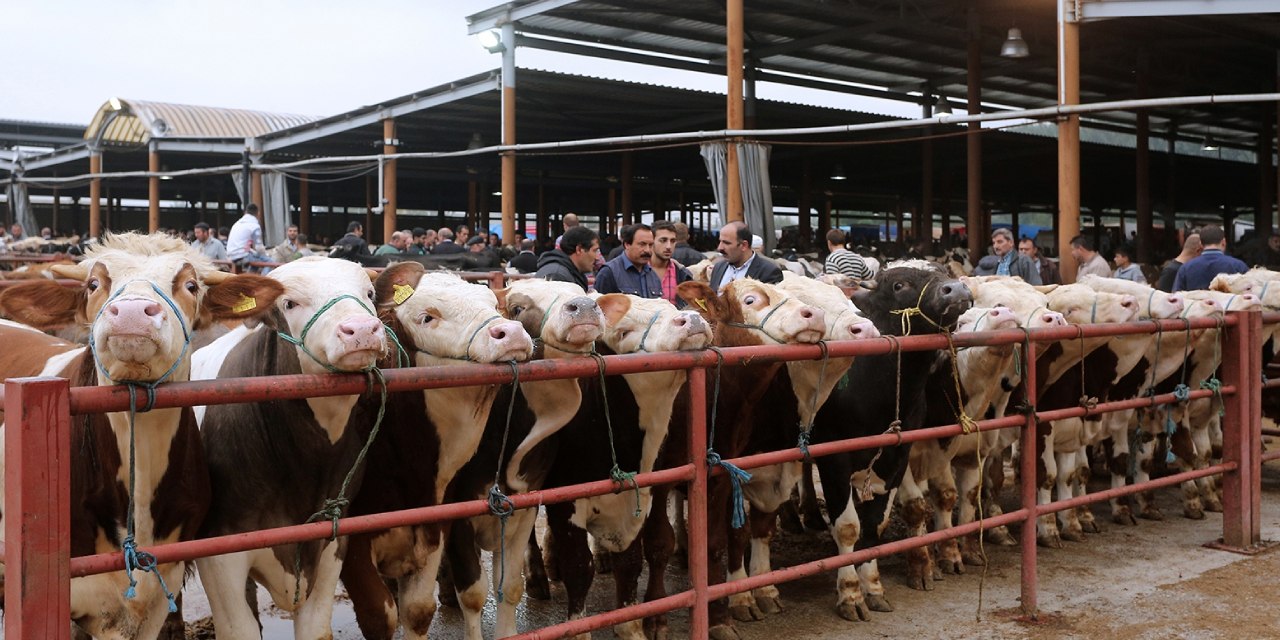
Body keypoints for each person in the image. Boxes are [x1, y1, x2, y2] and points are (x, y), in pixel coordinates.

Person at [709, 221, 783, 291]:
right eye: (720, 241)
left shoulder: (769, 272)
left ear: (744, 245)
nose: (720, 248)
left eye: (726, 243)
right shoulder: (718, 267)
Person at [594, 223, 662, 298]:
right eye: (642, 244)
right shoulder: (609, 273)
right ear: (627, 245)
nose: (647, 250)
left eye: (651, 245)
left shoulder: (653, 275)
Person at [1173, 225, 1247, 292]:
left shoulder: (1185, 268)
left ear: (1200, 244)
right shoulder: (1239, 266)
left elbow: (1177, 296)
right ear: (1223, 242)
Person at [535, 225, 599, 292]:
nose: (597, 257)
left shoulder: (563, 273)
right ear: (579, 249)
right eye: (594, 250)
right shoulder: (556, 276)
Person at [974, 228, 1042, 284]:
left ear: (1011, 243)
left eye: (1000, 242)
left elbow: (1036, 285)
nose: (995, 246)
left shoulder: (1024, 260)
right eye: (994, 243)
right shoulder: (996, 262)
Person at [650, 220, 693, 305]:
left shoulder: (683, 274)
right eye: (663, 240)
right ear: (651, 241)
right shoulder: (637, 271)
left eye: (673, 241)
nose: (669, 246)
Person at [226, 204, 271, 269]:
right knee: (270, 262)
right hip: (243, 255)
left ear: (245, 212)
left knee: (256, 261)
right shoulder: (254, 225)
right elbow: (259, 247)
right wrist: (266, 254)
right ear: (258, 213)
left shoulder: (237, 223)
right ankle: (265, 278)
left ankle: (251, 277)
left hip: (231, 255)